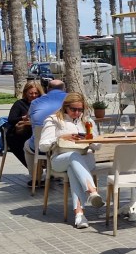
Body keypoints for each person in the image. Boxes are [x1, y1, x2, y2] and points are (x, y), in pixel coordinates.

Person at [38, 92, 105, 229]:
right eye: (73, 109)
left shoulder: (87, 121)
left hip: (85, 157)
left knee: (73, 168)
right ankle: (92, 192)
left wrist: (89, 139)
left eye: (80, 110)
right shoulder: (54, 120)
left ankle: (80, 215)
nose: (77, 113)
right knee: (73, 157)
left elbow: (97, 146)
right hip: (60, 158)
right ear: (65, 107)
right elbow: (43, 146)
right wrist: (61, 138)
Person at [5, 80, 43, 169]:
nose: (33, 96)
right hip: (21, 133)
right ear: (25, 93)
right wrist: (24, 118)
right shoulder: (19, 104)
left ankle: (46, 167)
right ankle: (34, 169)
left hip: (39, 132)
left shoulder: (43, 104)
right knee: (19, 141)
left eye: (36, 93)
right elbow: (11, 120)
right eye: (31, 93)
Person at [26, 78, 67, 158]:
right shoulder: (71, 99)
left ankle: (35, 166)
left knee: (27, 145)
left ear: (48, 89)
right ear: (64, 89)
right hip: (66, 143)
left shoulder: (35, 102)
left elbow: (31, 119)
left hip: (40, 146)